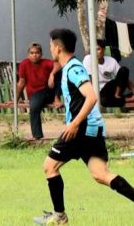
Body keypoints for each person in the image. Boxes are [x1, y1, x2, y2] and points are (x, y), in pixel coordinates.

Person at [34, 29, 134, 225]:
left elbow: (92, 96)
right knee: (100, 174)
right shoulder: (69, 67)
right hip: (93, 129)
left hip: (82, 128)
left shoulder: (74, 68)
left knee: (49, 166)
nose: (50, 48)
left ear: (57, 47)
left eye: (51, 45)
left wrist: (74, 123)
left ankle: (59, 217)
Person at [9, 43, 61, 140]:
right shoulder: (24, 64)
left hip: (49, 91)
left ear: (41, 54)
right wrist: (15, 100)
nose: (34, 55)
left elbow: (59, 64)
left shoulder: (46, 62)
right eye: (32, 53)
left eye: (37, 53)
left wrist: (52, 74)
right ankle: (37, 136)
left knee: (59, 74)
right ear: (28, 54)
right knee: (34, 107)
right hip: (36, 94)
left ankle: (57, 98)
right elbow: (21, 83)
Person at [82, 39, 134, 108]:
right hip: (101, 91)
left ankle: (117, 96)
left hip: (113, 88)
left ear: (103, 50)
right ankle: (127, 100)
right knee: (103, 101)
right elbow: (89, 80)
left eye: (98, 49)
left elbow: (123, 77)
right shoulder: (88, 59)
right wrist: (92, 97)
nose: (95, 52)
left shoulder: (111, 60)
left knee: (124, 70)